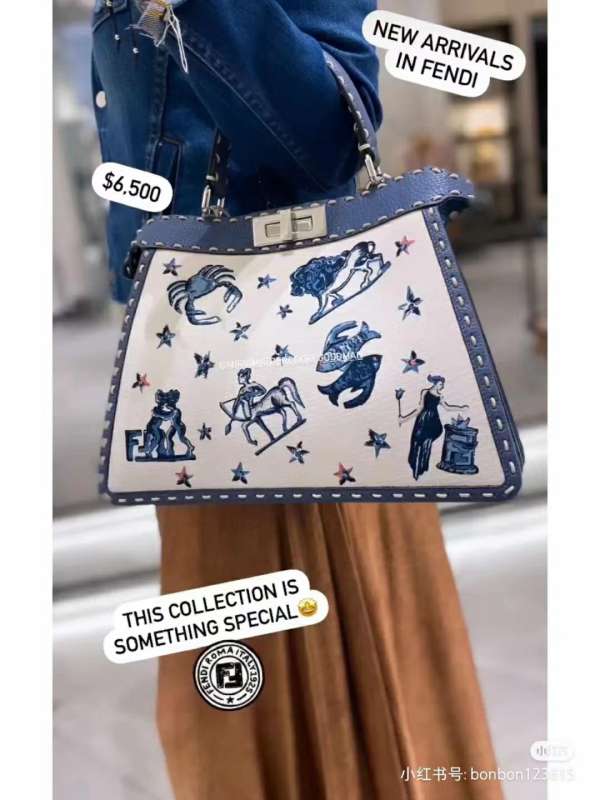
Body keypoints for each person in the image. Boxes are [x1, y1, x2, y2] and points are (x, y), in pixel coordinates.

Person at [92, 2, 503, 797]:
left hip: (307, 368)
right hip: (192, 356)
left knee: (352, 668)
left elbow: (326, 141)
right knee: (230, 698)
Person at [400, 375, 469, 480]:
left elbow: (447, 408)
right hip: (422, 420)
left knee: (426, 444)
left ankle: (421, 468)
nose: (442, 386)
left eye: (442, 384)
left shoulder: (440, 396)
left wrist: (461, 408)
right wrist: (404, 419)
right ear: (435, 383)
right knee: (417, 442)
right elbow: (419, 408)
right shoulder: (425, 392)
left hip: (433, 422)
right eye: (441, 384)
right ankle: (415, 466)